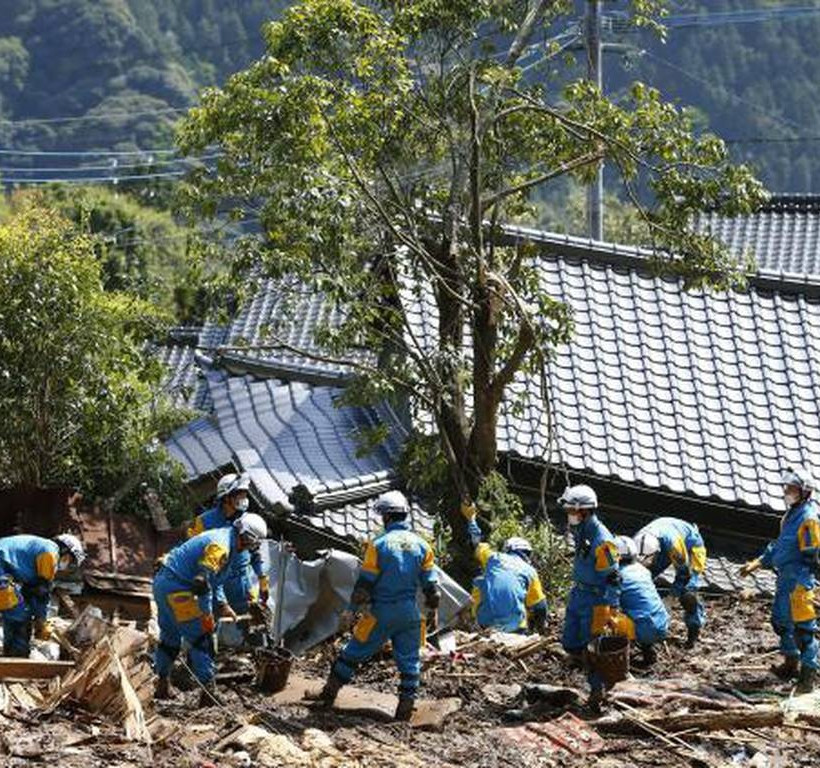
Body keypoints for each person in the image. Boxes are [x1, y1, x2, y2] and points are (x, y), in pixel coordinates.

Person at [311, 490, 440, 721]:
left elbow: (365, 586)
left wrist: (350, 612)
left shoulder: (379, 545)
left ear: (386, 517)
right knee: (410, 662)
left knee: (353, 653)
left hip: (381, 613)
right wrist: (432, 611)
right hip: (410, 614)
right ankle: (404, 712)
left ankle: (327, 696)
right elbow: (432, 589)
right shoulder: (423, 546)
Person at [153, 513, 268, 705]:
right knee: (201, 640)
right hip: (179, 590)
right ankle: (209, 693)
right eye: (252, 543)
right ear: (247, 538)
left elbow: (216, 581)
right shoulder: (220, 547)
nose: (251, 548)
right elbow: (202, 583)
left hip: (163, 584)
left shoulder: (226, 539)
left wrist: (223, 606)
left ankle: (161, 684)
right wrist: (206, 615)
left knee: (170, 637)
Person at [739, 468, 819, 693]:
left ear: (804, 492)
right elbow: (781, 545)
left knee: (804, 632)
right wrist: (759, 562)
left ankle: (808, 677)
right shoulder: (792, 514)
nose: (787, 492)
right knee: (781, 623)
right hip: (785, 579)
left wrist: (806, 569)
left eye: (791, 489)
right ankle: (791, 664)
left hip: (799, 582)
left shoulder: (809, 518)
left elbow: (812, 552)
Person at [559, 484, 621, 709]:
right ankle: (580, 670)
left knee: (593, 647)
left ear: (583, 511)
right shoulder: (582, 530)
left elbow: (613, 578)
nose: (569, 516)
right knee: (570, 641)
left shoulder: (602, 540)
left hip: (596, 600)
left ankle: (597, 692)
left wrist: (611, 609)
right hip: (580, 593)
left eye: (571, 511)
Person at [186, 472, 270, 618]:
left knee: (251, 627)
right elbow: (190, 554)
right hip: (216, 586)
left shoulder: (246, 520)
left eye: (245, 495)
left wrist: (262, 579)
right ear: (226, 497)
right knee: (219, 629)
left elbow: (255, 552)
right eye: (240, 495)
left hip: (243, 585)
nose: (244, 499)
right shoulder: (203, 522)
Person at [461, 503, 547, 633]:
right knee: (529, 602)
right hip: (515, 627)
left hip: (486, 623)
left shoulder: (494, 558)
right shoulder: (530, 571)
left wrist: (471, 518)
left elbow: (476, 542)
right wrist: (540, 631)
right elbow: (540, 606)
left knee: (481, 580)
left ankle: (474, 622)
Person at [0, 533, 85, 657]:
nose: (67, 565)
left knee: (15, 609)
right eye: (70, 560)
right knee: (19, 614)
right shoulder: (50, 553)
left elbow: (32, 592)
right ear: (65, 549)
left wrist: (39, 617)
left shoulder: (39, 551)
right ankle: (17, 657)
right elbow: (41, 592)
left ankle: (11, 654)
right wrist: (42, 620)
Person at [633, 517, 707, 649]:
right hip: (662, 544)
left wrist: (671, 598)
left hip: (691, 545)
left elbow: (684, 575)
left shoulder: (675, 546)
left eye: (649, 561)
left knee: (688, 594)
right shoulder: (637, 542)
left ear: (655, 553)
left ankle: (693, 631)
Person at [613, 535, 669, 666]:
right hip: (662, 623)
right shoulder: (643, 570)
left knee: (604, 614)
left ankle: (616, 654)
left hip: (643, 628)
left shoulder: (616, 576)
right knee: (639, 610)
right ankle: (647, 649)